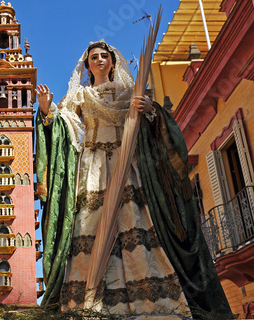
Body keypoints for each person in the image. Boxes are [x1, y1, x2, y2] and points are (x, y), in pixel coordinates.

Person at [35, 40, 231, 318]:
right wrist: (47, 112)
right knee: (89, 226)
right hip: (92, 167)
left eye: (104, 56)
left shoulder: (129, 93)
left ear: (113, 62)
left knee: (135, 223)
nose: (100, 60)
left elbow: (152, 124)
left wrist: (150, 109)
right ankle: (90, 304)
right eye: (94, 57)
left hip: (125, 163)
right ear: (87, 65)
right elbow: (63, 128)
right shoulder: (79, 96)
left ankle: (150, 303)